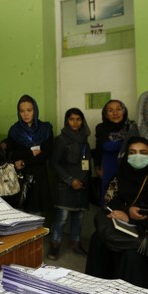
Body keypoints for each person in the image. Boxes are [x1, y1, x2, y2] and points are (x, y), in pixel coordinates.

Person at [86, 137, 148, 288]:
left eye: (143, 152)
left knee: (131, 255)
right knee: (97, 239)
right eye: (133, 152)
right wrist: (125, 211)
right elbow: (108, 201)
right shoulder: (119, 176)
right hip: (120, 225)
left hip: (146, 229)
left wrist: (139, 216)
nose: (138, 156)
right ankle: (96, 291)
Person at [48, 108, 91, 260]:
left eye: (78, 119)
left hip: (82, 186)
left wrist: (83, 180)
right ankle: (55, 246)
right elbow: (55, 163)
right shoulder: (61, 139)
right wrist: (70, 180)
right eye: (71, 119)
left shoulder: (84, 139)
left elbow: (87, 163)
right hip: (66, 185)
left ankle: (76, 244)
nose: (75, 122)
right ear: (67, 121)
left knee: (78, 217)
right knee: (61, 219)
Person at [6, 95, 53, 214]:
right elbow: (10, 154)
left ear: (35, 110)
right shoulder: (14, 130)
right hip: (21, 177)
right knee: (22, 213)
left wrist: (24, 161)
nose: (25, 114)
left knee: (38, 215)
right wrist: (31, 153)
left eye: (29, 110)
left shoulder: (45, 129)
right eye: (22, 111)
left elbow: (47, 154)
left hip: (39, 176)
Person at [93, 99, 132, 206]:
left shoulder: (132, 127)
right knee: (108, 200)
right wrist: (97, 167)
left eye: (119, 109)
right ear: (105, 114)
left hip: (128, 167)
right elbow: (99, 148)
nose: (115, 113)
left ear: (124, 111)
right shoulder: (101, 128)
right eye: (110, 110)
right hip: (109, 166)